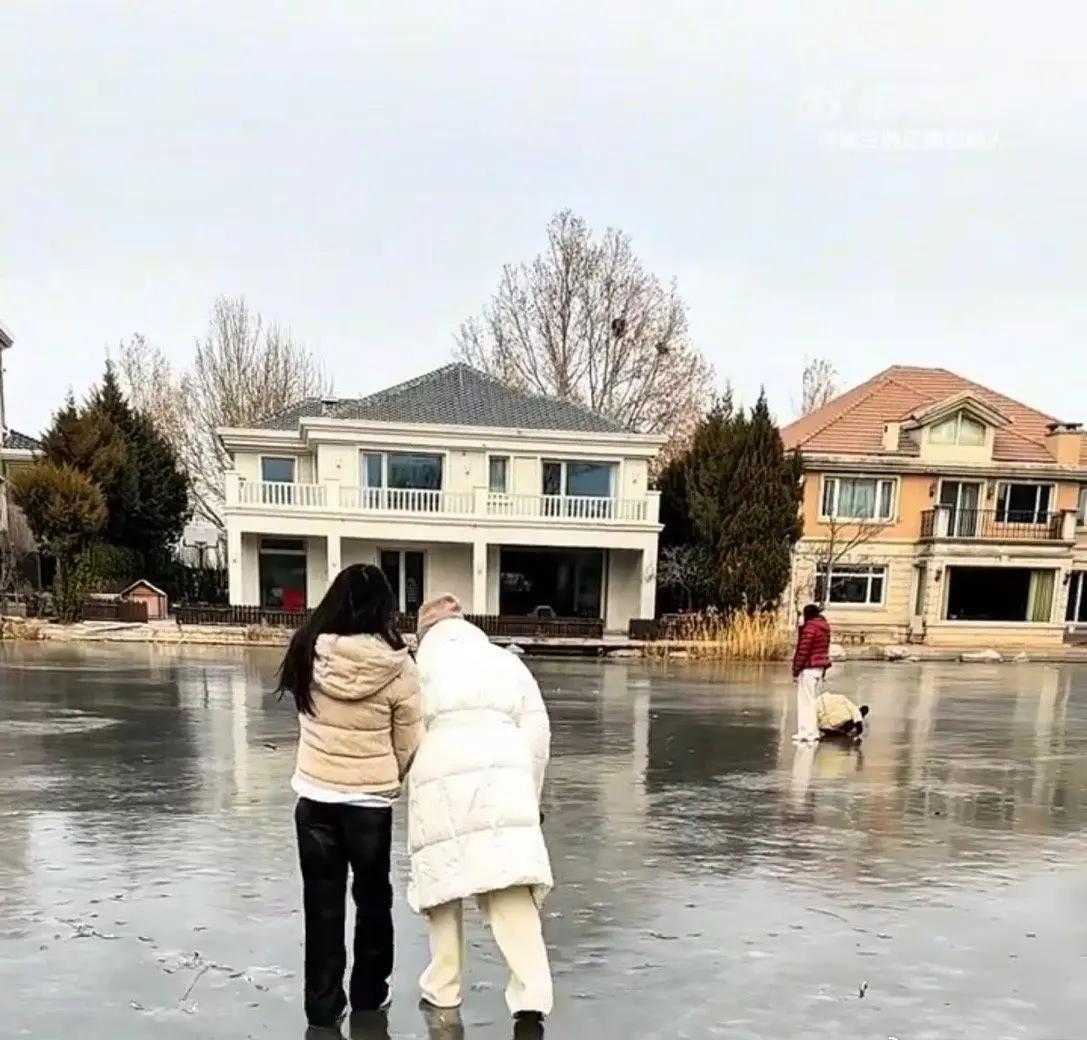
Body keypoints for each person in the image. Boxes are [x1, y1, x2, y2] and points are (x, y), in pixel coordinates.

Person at [277, 564, 423, 1030]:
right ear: (383, 607)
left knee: (321, 906)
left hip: (314, 800)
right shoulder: (399, 667)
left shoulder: (306, 651)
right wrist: (387, 777)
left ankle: (321, 1006)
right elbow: (409, 740)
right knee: (374, 902)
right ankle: (368, 995)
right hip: (369, 807)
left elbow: (303, 714)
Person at [408, 594, 554, 1026]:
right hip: (504, 779)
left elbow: (406, 729)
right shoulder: (507, 663)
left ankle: (444, 987)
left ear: (423, 634)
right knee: (508, 884)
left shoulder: (418, 669)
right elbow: (537, 729)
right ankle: (532, 993)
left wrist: (408, 778)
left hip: (437, 779)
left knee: (442, 887)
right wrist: (529, 790)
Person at [791, 603, 832, 743]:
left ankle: (807, 732)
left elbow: (803, 651)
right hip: (819, 668)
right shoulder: (824, 627)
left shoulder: (810, 628)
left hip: (808, 667)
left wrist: (795, 671)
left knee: (805, 701)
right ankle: (811, 731)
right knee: (811, 700)